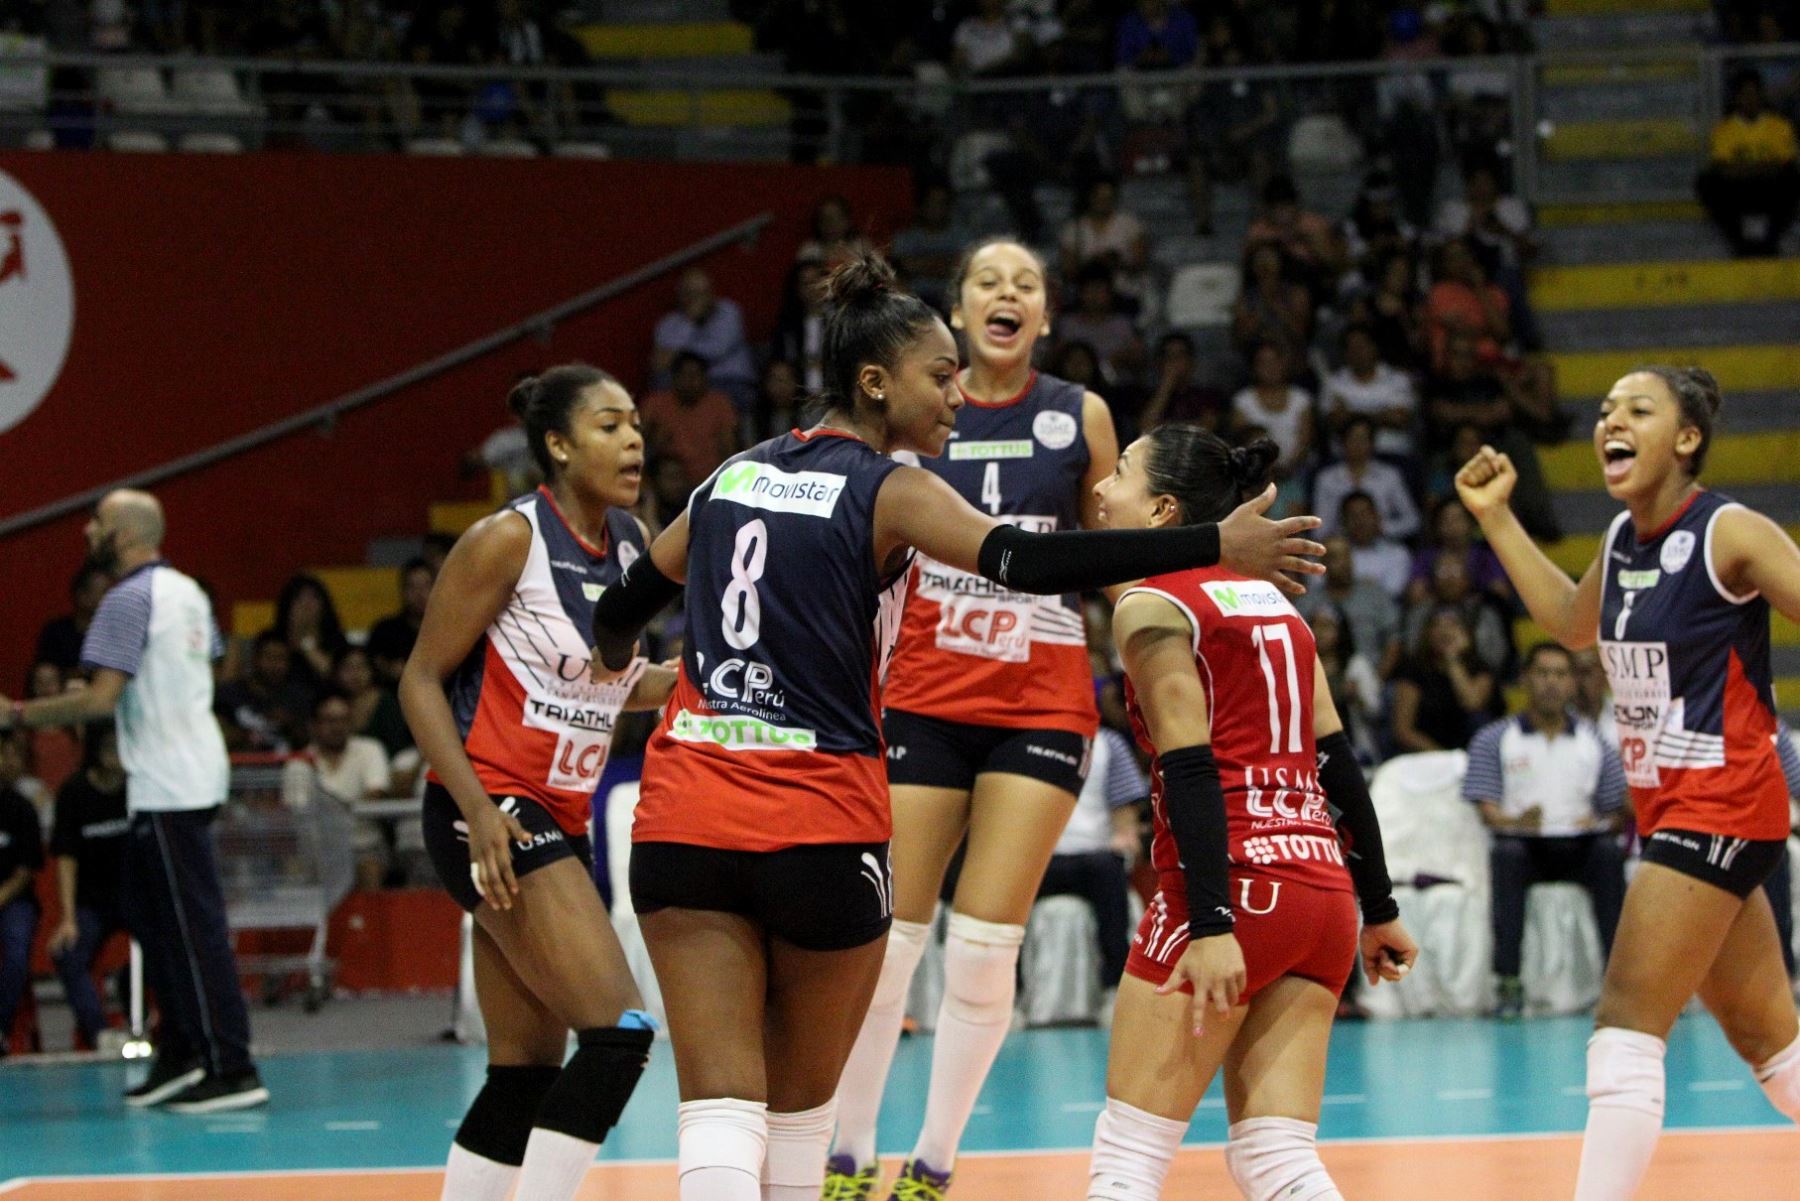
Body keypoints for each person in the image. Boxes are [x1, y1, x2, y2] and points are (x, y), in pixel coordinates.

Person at [588, 251, 1325, 1201]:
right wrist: (1214, 543)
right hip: (816, 815)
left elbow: (620, 609)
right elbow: (1022, 559)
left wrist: (633, 673)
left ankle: (916, 1160)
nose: (955, 397)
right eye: (938, 377)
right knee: (799, 1118)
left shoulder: (730, 476)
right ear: (874, 382)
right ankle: (898, 1161)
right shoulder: (889, 488)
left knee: (720, 1110)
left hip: (686, 810)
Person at [1455, 365, 1800, 1197]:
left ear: (1687, 438)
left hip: (1722, 802)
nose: (1612, 420)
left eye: (1639, 410)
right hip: (1672, 810)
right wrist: (1495, 517)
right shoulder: (1619, 540)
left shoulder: (1729, 532)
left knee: (1624, 1028)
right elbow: (1570, 624)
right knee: (1770, 1043)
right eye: (1607, 410)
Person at [831, 236, 1123, 1200]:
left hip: (1041, 700)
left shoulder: (1078, 414)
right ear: (957, 312)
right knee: (889, 942)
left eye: (1026, 283)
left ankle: (935, 1160)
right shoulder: (919, 409)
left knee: (986, 948)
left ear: (1045, 314)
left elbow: (1114, 557)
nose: (1008, 293)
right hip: (922, 694)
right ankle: (847, 1153)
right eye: (988, 281)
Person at [1083, 424, 1416, 1201]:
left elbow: (1189, 765)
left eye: (1122, 471)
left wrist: (1209, 922)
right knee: (1277, 1158)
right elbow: (1337, 763)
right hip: (1320, 895)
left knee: (1127, 1157)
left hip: (1233, 884)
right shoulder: (1274, 602)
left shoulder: (1151, 601)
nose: (1100, 485)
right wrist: (1378, 905)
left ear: (1163, 510)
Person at [400, 364, 677, 1201]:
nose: (632, 441)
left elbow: (606, 683)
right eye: (608, 425)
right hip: (491, 809)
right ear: (557, 444)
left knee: (523, 1074)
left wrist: (689, 679)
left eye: (635, 425)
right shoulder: (506, 540)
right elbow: (419, 681)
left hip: (559, 815)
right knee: (620, 1034)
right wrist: (479, 809)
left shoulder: (630, 541)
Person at [1, 489, 266, 1110]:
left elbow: (100, 701)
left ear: (121, 535)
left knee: (192, 930)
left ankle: (232, 1067)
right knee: (152, 921)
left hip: (167, 784)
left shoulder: (126, 598)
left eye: (96, 522)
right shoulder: (188, 592)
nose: (86, 532)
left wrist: (17, 714)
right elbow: (198, 667)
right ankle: (181, 1052)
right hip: (183, 774)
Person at [1464, 643, 1629, 1019]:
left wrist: (1599, 822)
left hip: (1580, 845)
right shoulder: (1494, 738)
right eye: (1542, 673)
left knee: (1608, 854)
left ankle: (1619, 982)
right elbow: (1487, 811)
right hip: (1524, 846)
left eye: (1560, 674)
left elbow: (1615, 813)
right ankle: (1508, 981)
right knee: (1505, 856)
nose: (1551, 683)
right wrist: (1515, 822)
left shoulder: (1596, 741)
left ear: (1572, 683)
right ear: (1524, 679)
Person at [1038, 721, 1148, 1012]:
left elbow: (1126, 812)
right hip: (1040, 858)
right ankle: (1011, 994)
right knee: (1008, 880)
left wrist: (1125, 836)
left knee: (1109, 873)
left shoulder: (1111, 744)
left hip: (1096, 855)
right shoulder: (1027, 737)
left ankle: (1114, 987)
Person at [47, 726, 129, 1050]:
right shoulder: (74, 793)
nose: (116, 754)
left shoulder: (140, 787)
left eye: (120, 745)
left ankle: (148, 1016)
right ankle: (100, 1033)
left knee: (169, 946)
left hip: (136, 899)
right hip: (91, 904)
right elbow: (66, 860)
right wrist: (68, 919)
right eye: (109, 747)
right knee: (67, 952)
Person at [282, 692, 395, 892]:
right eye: (330, 720)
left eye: (344, 720)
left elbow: (375, 793)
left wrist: (330, 809)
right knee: (291, 873)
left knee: (370, 868)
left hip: (362, 845)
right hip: (317, 850)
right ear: (313, 725)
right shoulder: (298, 764)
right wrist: (347, 808)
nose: (338, 727)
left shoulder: (369, 749)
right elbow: (300, 811)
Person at [1696, 68, 1799, 256]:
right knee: (1707, 182)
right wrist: (1762, 167)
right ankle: (1739, 242)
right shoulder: (1724, 130)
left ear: (1761, 95)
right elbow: (1724, 169)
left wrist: (1746, 168)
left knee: (1792, 179)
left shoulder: (1780, 126)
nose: (1750, 100)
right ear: (1736, 98)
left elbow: (1785, 165)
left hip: (1770, 189)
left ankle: (1771, 240)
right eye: (1744, 95)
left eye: (1754, 94)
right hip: (1741, 191)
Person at [1390, 606, 1497, 753]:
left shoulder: (1479, 668)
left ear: (1466, 633)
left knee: (1478, 719)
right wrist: (1444, 757)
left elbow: (1473, 704)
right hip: (1428, 753)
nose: (1444, 631)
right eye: (1437, 625)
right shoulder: (1414, 670)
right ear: (1427, 634)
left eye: (1452, 625)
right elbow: (1403, 730)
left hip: (1472, 753)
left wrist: (1452, 659)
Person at [652, 268, 758, 413]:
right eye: (691, 293)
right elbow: (659, 364)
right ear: (681, 296)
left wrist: (676, 355)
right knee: (661, 383)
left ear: (712, 293)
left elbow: (716, 349)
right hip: (685, 384)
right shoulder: (668, 323)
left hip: (728, 381)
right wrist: (690, 321)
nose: (697, 299)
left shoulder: (728, 311)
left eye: (702, 293)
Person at [1301, 535, 1402, 679]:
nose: (1344, 563)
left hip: (1371, 677)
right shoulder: (1308, 602)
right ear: (1322, 564)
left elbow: (1394, 641)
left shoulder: (1374, 595)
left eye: (1347, 556)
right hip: (1322, 678)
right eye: (1335, 557)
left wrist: (1377, 681)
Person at [641, 351, 741, 493]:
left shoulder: (720, 403)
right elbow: (637, 443)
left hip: (709, 484)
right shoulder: (655, 403)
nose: (690, 381)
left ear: (705, 378)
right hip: (665, 484)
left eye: (695, 375)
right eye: (684, 375)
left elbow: (729, 448)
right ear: (674, 378)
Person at [1312, 416, 1420, 542]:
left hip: (1382, 542)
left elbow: (1412, 520)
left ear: (1372, 443)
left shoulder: (1389, 475)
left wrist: (1381, 528)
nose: (1358, 444)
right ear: (1343, 442)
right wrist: (1343, 534)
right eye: (1353, 438)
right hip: (1342, 544)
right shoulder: (1327, 478)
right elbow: (1319, 528)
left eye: (1363, 439)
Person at [1321, 324, 1418, 462]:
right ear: (1345, 352)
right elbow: (1336, 421)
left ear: (1374, 348)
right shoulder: (1334, 383)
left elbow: (1399, 419)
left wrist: (1351, 415)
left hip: (1391, 454)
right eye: (1352, 347)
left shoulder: (1398, 380)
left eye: (1362, 346)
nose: (1357, 352)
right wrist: (1383, 414)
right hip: (1345, 458)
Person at [0, 747, 41, 1055]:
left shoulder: (21, 808)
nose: (10, 761)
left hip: (14, 900)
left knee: (16, 950)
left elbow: (26, 870)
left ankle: (1, 1028)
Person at [214, 631, 313, 753]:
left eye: (281, 658)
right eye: (269, 657)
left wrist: (290, 724)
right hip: (241, 762)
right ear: (255, 659)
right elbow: (216, 736)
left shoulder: (298, 697)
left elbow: (309, 742)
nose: (275, 665)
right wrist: (243, 735)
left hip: (286, 763)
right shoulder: (230, 694)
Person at [1229, 343, 1314, 482]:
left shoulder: (1301, 398)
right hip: (1255, 473)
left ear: (1284, 364)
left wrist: (1288, 468)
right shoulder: (1243, 401)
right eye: (1264, 363)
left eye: (1275, 361)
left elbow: (1305, 442)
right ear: (1254, 367)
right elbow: (1242, 442)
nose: (1270, 368)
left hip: (1296, 471)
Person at [366, 557, 435, 687]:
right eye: (412, 586)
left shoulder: (450, 629)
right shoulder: (384, 630)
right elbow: (371, 666)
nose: (420, 594)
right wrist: (389, 670)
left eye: (426, 586)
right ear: (402, 590)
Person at [331, 646, 412, 758]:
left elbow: (398, 745)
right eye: (348, 667)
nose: (355, 673)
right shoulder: (330, 703)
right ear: (337, 671)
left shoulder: (385, 701)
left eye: (361, 666)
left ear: (371, 670)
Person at [32, 564, 110, 678]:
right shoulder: (56, 632)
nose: (111, 597)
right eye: (104, 592)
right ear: (83, 596)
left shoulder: (113, 633)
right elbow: (46, 673)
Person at [1338, 491, 1412, 600]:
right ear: (1343, 522)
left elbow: (1393, 591)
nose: (1360, 521)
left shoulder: (1397, 553)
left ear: (1377, 517)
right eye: (1352, 515)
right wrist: (1369, 585)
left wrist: (1351, 585)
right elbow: (1322, 589)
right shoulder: (1333, 554)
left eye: (1364, 514)